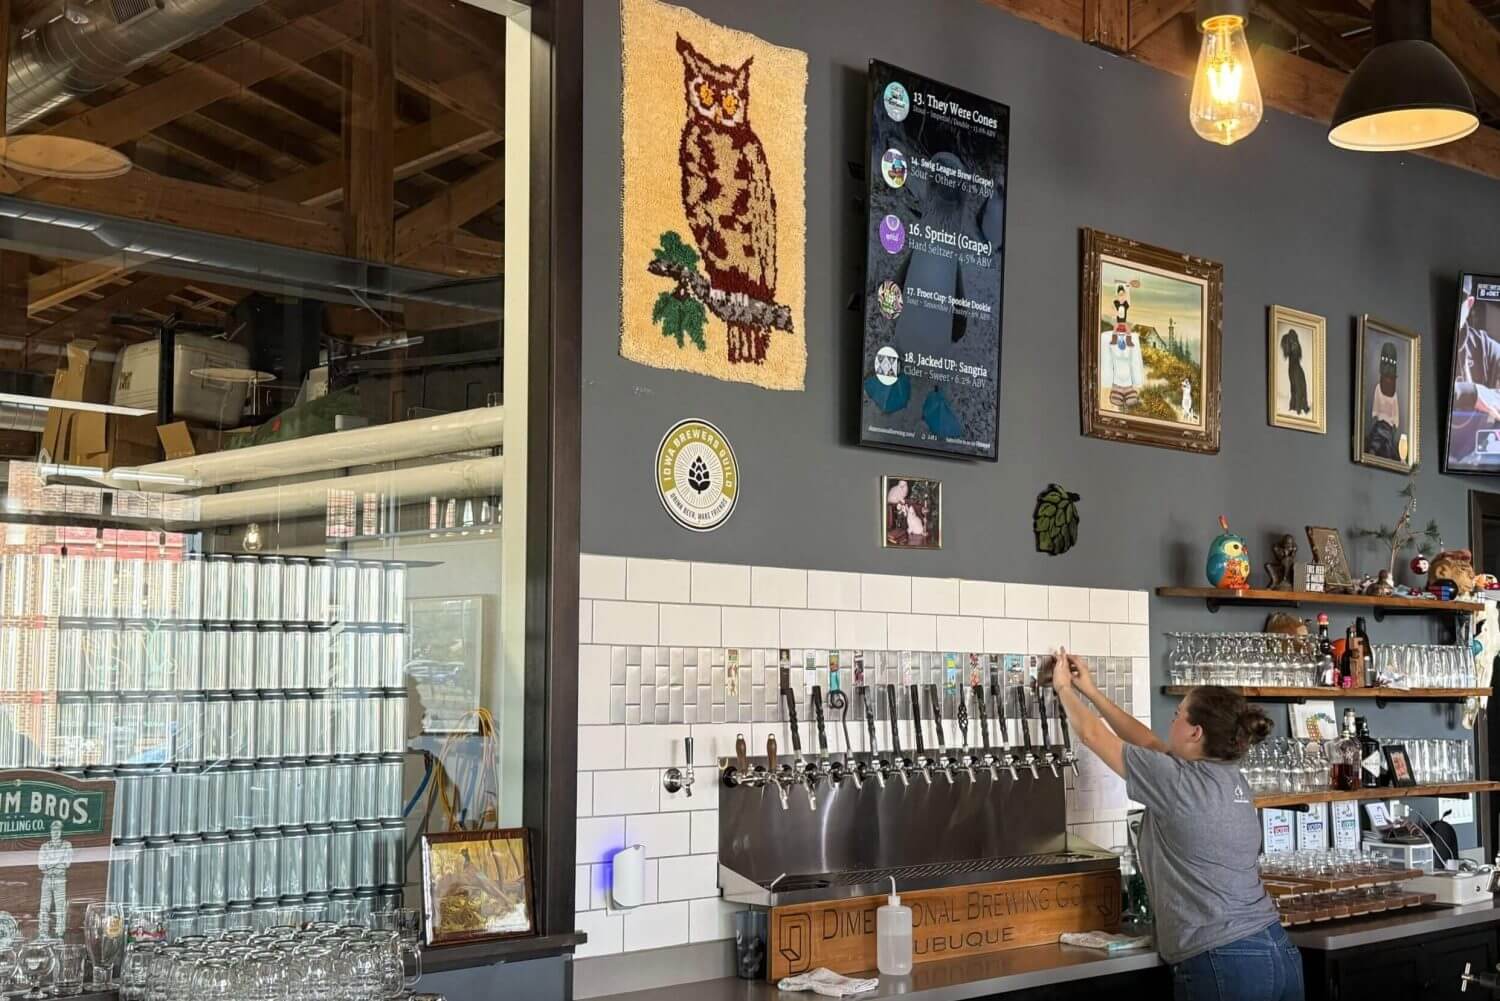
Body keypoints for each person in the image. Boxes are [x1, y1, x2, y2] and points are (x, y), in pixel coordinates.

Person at [1050, 649, 1302, 1001]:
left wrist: (1062, 689)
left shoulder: (1177, 783)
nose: (1171, 723)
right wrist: (1090, 691)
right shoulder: (1229, 778)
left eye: (1177, 715)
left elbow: (1093, 735)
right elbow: (1149, 743)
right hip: (1276, 951)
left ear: (1195, 732)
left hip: (1222, 961)